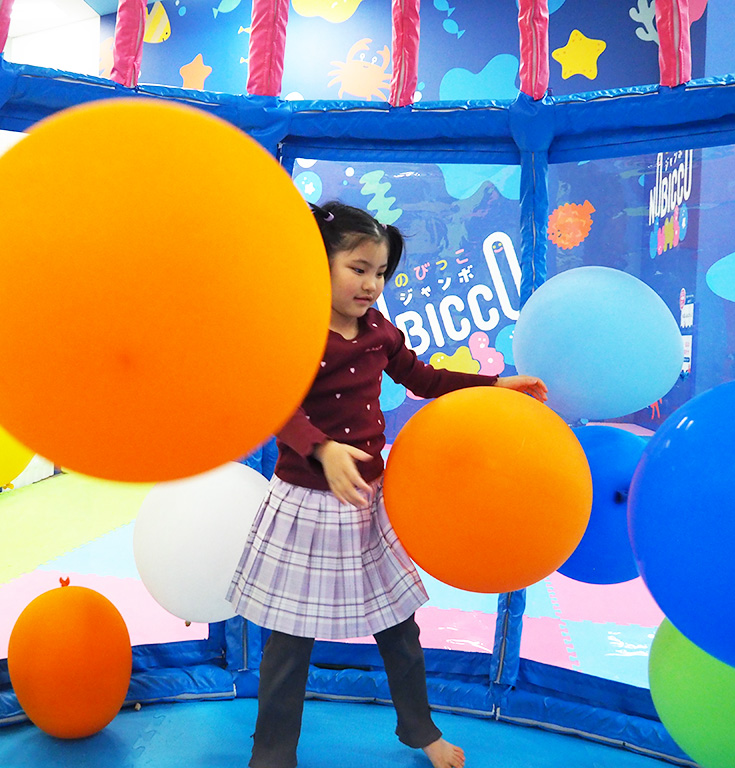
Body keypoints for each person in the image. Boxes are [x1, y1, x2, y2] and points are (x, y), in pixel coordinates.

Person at [227, 201, 548, 768]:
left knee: (399, 628)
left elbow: (425, 379)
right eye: (358, 269)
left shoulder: (378, 331)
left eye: (380, 272)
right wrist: (322, 449)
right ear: (318, 264)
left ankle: (419, 731)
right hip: (307, 503)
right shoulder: (298, 331)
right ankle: (272, 755)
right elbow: (277, 406)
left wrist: (494, 384)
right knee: (289, 642)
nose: (372, 284)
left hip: (366, 504)